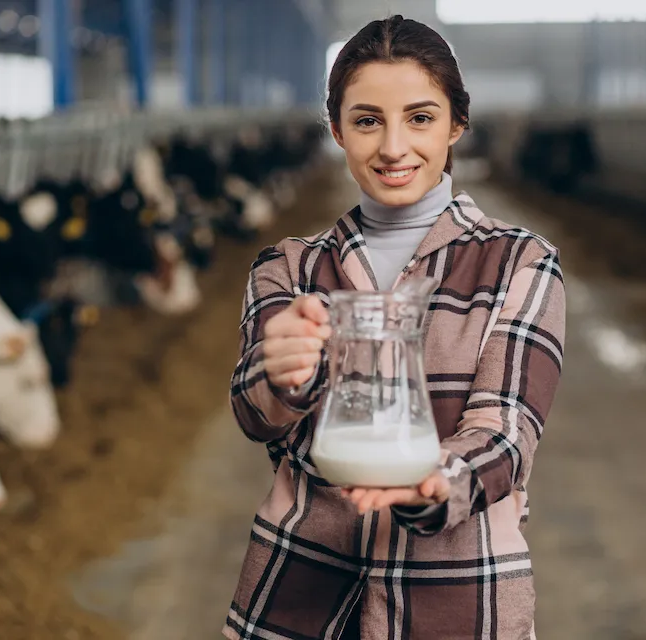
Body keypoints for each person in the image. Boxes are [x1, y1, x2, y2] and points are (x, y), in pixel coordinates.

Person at [224, 15, 566, 640]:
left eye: (419, 117)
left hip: (461, 595)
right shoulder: (290, 267)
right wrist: (283, 371)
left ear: (456, 123)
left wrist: (438, 481)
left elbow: (507, 431)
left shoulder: (519, 261)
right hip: (298, 592)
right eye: (366, 120)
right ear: (336, 130)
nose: (392, 147)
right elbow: (254, 413)